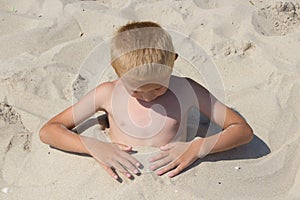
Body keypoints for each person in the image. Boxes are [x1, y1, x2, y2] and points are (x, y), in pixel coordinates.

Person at [39, 21, 253, 181]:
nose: (149, 96)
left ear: (173, 62)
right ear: (116, 69)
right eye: (137, 91)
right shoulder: (106, 94)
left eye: (159, 87)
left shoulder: (188, 90)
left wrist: (197, 147)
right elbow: (49, 130)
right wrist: (92, 146)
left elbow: (241, 130)